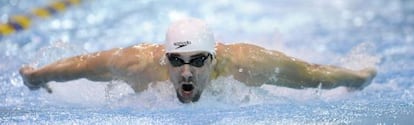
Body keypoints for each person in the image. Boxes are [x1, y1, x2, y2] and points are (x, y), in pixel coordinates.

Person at [19, 18, 377, 103]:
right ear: (165, 58)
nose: (186, 71)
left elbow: (310, 73)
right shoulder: (138, 65)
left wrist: (354, 78)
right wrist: (37, 77)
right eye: (176, 60)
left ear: (215, 57)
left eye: (197, 60)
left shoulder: (246, 64)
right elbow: (83, 65)